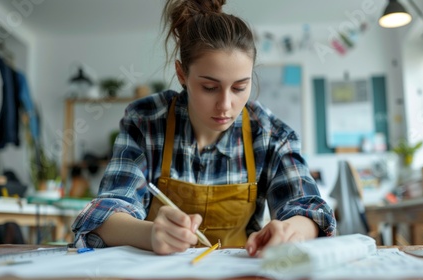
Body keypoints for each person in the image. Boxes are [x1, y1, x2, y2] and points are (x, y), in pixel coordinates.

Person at [71, 0, 336, 256]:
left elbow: (310, 211)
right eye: (210, 87)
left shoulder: (271, 136)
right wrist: (149, 234)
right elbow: (102, 215)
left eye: (240, 87)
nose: (225, 105)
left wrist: (291, 231)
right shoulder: (146, 122)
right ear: (182, 74)